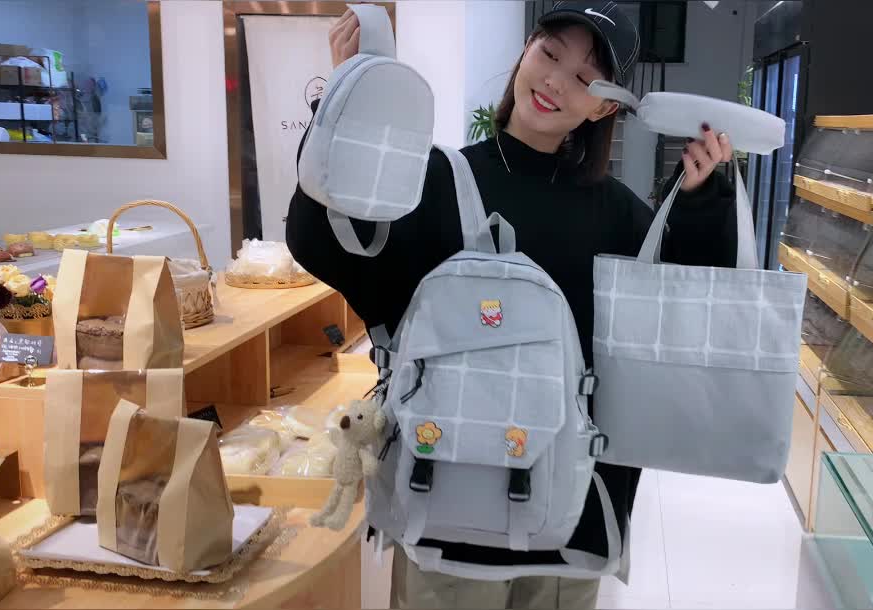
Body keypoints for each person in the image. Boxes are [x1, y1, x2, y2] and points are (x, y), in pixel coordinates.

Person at [287, 2, 738, 608]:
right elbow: (324, 243)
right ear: (525, 51)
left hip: (568, 524)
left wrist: (703, 200)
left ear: (605, 107)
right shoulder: (436, 182)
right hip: (448, 526)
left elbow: (690, 313)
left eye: (584, 78)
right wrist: (347, 101)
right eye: (549, 53)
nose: (555, 81)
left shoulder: (622, 217)